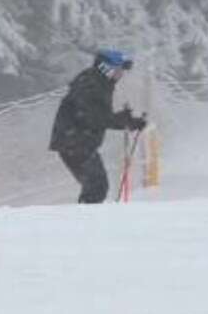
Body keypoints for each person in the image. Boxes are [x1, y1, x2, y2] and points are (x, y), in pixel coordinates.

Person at [47, 49, 148, 204]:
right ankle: (85, 221)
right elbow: (93, 117)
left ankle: (86, 218)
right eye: (118, 70)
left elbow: (98, 115)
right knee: (97, 185)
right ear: (105, 68)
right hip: (74, 141)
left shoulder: (101, 83)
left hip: (80, 141)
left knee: (96, 185)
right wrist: (124, 121)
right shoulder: (91, 83)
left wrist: (126, 120)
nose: (120, 74)